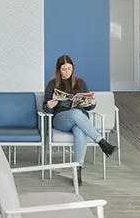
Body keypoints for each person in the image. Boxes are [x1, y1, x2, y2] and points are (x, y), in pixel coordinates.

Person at [43, 55, 116, 186]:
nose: (67, 72)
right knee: (76, 113)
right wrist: (49, 105)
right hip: (61, 119)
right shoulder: (52, 84)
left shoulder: (80, 83)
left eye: (69, 68)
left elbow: (89, 107)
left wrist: (92, 102)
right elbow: (45, 107)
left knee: (80, 131)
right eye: (64, 69)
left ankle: (78, 169)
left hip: (79, 119)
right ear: (59, 70)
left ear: (73, 68)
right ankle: (101, 140)